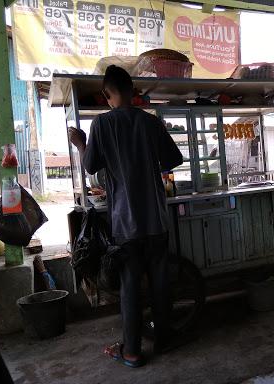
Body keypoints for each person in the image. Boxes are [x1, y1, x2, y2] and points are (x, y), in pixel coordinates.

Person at [69, 65, 183, 368]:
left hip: (126, 223)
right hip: (156, 219)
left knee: (130, 285)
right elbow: (174, 159)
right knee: (160, 282)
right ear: (132, 92)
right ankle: (165, 340)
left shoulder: (101, 125)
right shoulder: (151, 122)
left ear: (108, 95)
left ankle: (131, 351)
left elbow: (91, 166)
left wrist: (81, 144)